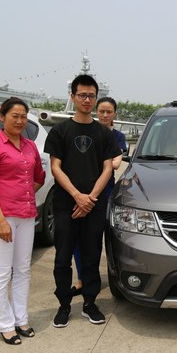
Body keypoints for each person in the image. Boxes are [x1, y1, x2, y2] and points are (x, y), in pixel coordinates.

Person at [44, 74, 122, 328]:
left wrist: (91, 199)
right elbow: (55, 167)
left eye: (91, 96)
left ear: (95, 98)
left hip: (94, 205)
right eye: (82, 95)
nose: (87, 100)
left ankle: (90, 302)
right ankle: (64, 304)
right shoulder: (60, 131)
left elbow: (108, 168)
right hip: (66, 205)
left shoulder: (103, 133)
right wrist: (78, 196)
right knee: (63, 257)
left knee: (91, 256)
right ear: (73, 97)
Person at [0, 97, 45, 345]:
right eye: (14, 116)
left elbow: (38, 177)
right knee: (2, 272)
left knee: (23, 270)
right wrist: (1, 220)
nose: (19, 121)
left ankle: (21, 319)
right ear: (2, 116)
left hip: (26, 217)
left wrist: (22, 196)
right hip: (2, 218)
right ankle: (5, 325)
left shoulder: (30, 146)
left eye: (23, 116)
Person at [70, 96, 127, 296]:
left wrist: (92, 161)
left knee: (100, 238)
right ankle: (82, 278)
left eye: (108, 112)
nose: (104, 115)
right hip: (81, 192)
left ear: (115, 114)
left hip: (105, 193)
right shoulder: (86, 132)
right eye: (101, 111)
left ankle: (100, 276)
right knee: (79, 238)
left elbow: (116, 163)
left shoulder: (117, 137)